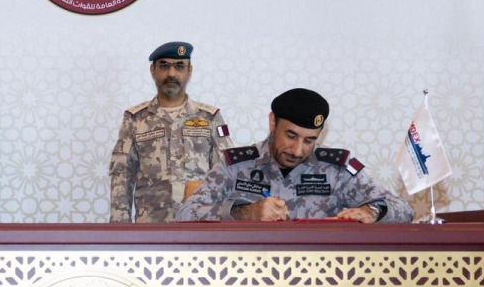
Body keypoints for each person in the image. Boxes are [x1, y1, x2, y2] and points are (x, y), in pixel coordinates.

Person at [176, 87, 411, 223]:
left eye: (309, 140)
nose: (298, 150)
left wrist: (372, 211)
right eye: (291, 136)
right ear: (272, 122)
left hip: (319, 278)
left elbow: (403, 209)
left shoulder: (337, 170)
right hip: (248, 277)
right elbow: (186, 214)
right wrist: (246, 212)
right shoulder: (236, 166)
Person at [109, 41, 234, 223]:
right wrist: (119, 228)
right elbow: (122, 175)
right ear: (153, 70)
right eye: (164, 65)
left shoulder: (210, 117)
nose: (171, 74)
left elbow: (227, 172)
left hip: (200, 224)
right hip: (152, 227)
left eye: (179, 66)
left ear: (189, 71)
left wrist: (226, 222)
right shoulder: (135, 119)